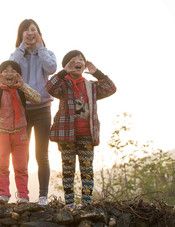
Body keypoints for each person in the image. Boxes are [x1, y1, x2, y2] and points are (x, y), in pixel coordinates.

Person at [46, 50, 116, 208]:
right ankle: (70, 203)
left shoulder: (91, 86)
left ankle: (86, 203)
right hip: (67, 134)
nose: (78, 61)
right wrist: (64, 72)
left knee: (87, 169)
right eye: (73, 60)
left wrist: (97, 72)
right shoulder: (63, 85)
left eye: (81, 59)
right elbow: (49, 87)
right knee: (68, 168)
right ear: (66, 66)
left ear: (85, 65)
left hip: (87, 134)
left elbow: (111, 88)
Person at [9, 19, 57, 205]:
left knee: (41, 154)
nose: (30, 33)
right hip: (22, 109)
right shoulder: (17, 54)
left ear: (39, 33)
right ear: (21, 35)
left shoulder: (47, 53)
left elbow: (51, 68)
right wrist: (22, 48)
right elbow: (11, 68)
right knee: (23, 154)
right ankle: (23, 194)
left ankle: (43, 196)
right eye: (26, 31)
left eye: (33, 30)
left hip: (43, 108)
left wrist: (40, 46)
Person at [0, 60, 40, 204]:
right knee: (1, 164)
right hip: (1, 132)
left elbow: (37, 98)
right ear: (0, 75)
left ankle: (23, 195)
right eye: (5, 71)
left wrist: (23, 86)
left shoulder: (22, 90)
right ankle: (4, 194)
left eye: (13, 71)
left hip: (20, 132)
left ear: (18, 75)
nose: (9, 73)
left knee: (21, 166)